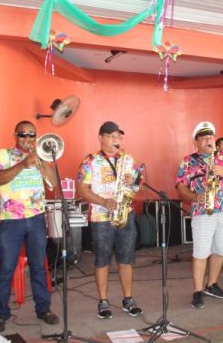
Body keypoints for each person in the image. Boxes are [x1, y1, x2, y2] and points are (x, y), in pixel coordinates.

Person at [0, 120, 59, 333]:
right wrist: (23, 164)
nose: (27, 139)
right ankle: (0, 313)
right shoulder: (5, 154)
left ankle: (43, 309)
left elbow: (53, 183)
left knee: (39, 267)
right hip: (11, 220)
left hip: (36, 218)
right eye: (23, 134)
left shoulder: (40, 156)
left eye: (31, 135)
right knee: (6, 268)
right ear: (15, 135)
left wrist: (41, 160)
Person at [76, 121, 143, 319]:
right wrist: (104, 202)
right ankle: (103, 301)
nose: (116, 140)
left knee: (126, 259)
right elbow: (82, 189)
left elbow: (137, 187)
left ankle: (128, 299)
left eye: (119, 137)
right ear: (101, 138)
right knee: (102, 260)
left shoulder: (128, 159)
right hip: (101, 216)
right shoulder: (90, 161)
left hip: (125, 214)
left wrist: (134, 182)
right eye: (112, 136)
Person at [176, 121, 223, 309]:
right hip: (202, 212)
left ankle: (211, 284)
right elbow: (180, 186)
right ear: (196, 142)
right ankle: (198, 290)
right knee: (201, 252)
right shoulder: (188, 161)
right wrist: (194, 197)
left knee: (221, 249)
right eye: (204, 138)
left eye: (211, 137)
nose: (209, 140)